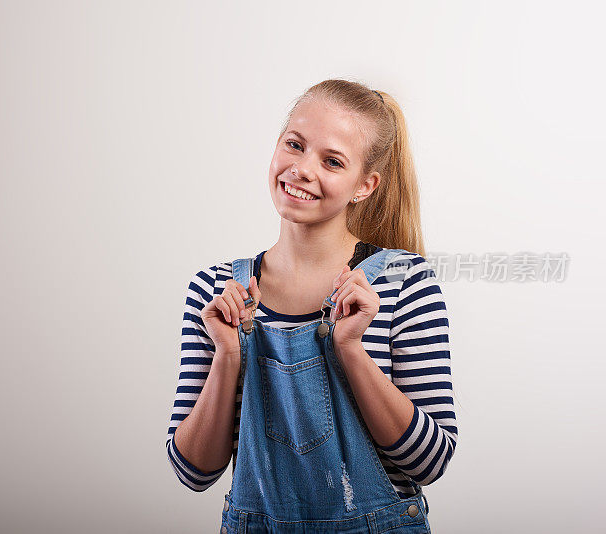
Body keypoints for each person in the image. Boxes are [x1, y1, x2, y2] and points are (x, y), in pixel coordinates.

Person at [165, 79, 458, 532]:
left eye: (332, 161)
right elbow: (193, 472)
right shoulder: (215, 291)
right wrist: (227, 356)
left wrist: (352, 349)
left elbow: (431, 462)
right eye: (294, 145)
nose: (301, 168)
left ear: (365, 186)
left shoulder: (403, 283)